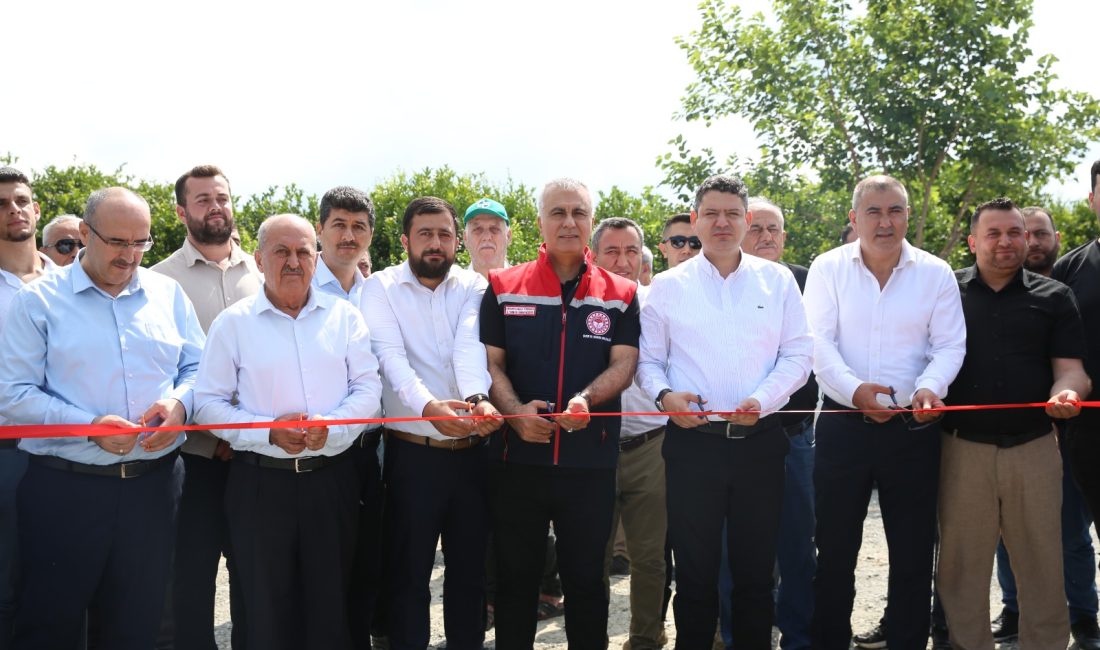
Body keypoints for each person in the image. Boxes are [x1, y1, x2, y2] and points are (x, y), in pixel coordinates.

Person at [0, 186, 204, 649]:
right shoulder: (38, 302)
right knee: (51, 624)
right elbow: (13, 395)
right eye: (117, 242)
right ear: (85, 234)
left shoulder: (167, 295)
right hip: (64, 491)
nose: (130, 256)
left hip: (154, 488)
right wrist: (87, 426)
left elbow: (198, 368)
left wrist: (179, 404)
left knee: (140, 623)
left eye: (141, 243)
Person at [638, 175, 813, 650]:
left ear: (746, 221)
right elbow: (649, 363)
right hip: (693, 447)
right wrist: (665, 397)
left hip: (760, 445)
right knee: (695, 578)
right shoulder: (668, 287)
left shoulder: (776, 281)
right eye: (711, 213)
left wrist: (764, 399)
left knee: (757, 576)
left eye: (732, 214)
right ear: (695, 220)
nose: (722, 222)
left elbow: (798, 355)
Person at [193, 213, 382, 650]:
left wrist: (332, 428)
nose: (293, 262)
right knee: (263, 610)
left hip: (332, 479)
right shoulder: (233, 323)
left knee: (330, 605)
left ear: (316, 258)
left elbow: (368, 387)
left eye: (302, 251)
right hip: (259, 484)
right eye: (281, 252)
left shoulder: (345, 318)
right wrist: (267, 432)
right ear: (259, 259)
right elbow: (208, 403)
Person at [804, 174, 966, 650]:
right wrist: (856, 392)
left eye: (895, 210)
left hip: (913, 429)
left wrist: (930, 389)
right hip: (842, 426)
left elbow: (949, 344)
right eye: (873, 211)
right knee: (834, 551)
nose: (884, 221)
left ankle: (907, 642)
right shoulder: (827, 268)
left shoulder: (936, 273)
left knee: (914, 551)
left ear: (908, 216)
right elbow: (816, 343)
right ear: (854, 218)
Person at [480, 177, 640, 648]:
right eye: (558, 213)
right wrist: (513, 412)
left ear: (591, 222)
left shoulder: (622, 293)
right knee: (515, 582)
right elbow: (490, 364)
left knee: (587, 583)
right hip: (517, 461)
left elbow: (624, 363)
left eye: (578, 213)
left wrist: (585, 400)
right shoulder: (503, 286)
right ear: (540, 223)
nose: (568, 222)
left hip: (589, 463)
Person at [936, 197, 1088, 650]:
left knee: (1043, 562)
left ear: (1027, 237)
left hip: (1036, 448)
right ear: (972, 242)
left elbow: (1072, 369)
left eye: (1014, 233)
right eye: (994, 234)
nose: (1006, 242)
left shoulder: (1056, 296)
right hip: (961, 449)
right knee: (962, 566)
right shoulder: (945, 293)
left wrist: (1069, 392)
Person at [363, 196, 501, 650]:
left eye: (445, 234)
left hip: (472, 457)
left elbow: (469, 344)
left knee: (468, 575)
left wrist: (477, 399)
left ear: (457, 241)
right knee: (408, 576)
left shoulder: (474, 286)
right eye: (425, 234)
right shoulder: (379, 288)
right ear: (405, 240)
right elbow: (390, 359)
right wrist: (428, 409)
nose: (436, 243)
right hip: (412, 455)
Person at [151, 164, 260, 650]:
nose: (215, 208)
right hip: (193, 460)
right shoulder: (157, 282)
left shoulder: (265, 270)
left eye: (222, 198)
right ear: (181, 212)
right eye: (202, 200)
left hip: (256, 457)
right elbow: (168, 371)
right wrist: (215, 434)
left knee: (256, 579)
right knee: (190, 584)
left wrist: (243, 434)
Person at [992, 205, 1100, 648]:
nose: (1032, 243)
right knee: (1008, 532)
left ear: (1055, 238)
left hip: (1074, 425)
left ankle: (1083, 616)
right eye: (1026, 234)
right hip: (1029, 432)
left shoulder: (1062, 285)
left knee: (1072, 534)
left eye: (1040, 234)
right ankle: (1014, 608)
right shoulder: (990, 292)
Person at [718, 197, 817, 650]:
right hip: (728, 441)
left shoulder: (807, 284)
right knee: (731, 552)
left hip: (792, 437)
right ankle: (739, 636)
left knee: (797, 547)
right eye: (758, 229)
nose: (766, 237)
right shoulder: (717, 282)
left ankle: (797, 637)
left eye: (775, 229)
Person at [592, 217, 668, 650]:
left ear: (642, 257)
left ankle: (644, 638)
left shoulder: (659, 305)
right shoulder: (580, 304)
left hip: (651, 447)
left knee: (649, 557)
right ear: (594, 255)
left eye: (631, 252)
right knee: (592, 556)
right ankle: (592, 637)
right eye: (612, 252)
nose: (622, 262)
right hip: (595, 446)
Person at [313, 186, 384, 650]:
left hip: (372, 447)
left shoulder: (378, 292)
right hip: (315, 450)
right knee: (321, 568)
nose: (348, 235)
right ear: (319, 229)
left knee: (368, 561)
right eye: (338, 224)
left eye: (359, 226)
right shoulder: (293, 278)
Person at [0, 167, 55, 649]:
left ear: (37, 210)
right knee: (10, 585)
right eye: (1, 204)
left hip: (76, 453)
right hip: (9, 454)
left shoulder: (71, 283)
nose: (14, 210)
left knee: (67, 584)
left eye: (21, 200)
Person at [1052, 159, 1100, 648]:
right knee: (1075, 534)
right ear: (1092, 200)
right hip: (1085, 428)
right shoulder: (1071, 270)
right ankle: (1085, 620)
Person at [464, 198, 511, 279]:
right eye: (477, 229)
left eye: (494, 229)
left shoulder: (526, 286)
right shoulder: (453, 289)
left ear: (508, 236)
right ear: (465, 238)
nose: (487, 237)